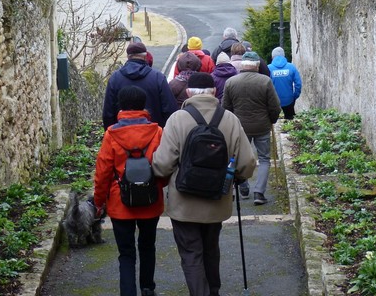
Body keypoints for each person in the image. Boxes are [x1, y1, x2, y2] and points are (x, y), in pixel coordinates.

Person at [152, 72, 256, 296]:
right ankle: (213, 291)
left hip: (184, 204)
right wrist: (237, 176)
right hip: (217, 201)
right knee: (211, 249)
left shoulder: (177, 119)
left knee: (191, 254)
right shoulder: (230, 119)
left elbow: (162, 165)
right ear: (214, 92)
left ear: (188, 92)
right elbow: (247, 163)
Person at [94, 86, 165, 296]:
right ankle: (147, 288)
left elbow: (103, 171)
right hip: (150, 199)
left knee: (126, 253)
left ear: (121, 106)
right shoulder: (157, 132)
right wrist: (158, 185)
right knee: (148, 246)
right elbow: (165, 165)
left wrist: (99, 201)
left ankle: (128, 292)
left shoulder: (112, 134)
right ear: (144, 105)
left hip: (120, 202)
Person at [222, 52, 281, 206]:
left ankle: (243, 186)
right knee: (264, 159)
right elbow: (275, 106)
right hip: (262, 125)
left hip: (240, 127)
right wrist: (272, 120)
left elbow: (225, 107)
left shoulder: (231, 82)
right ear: (257, 65)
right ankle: (259, 193)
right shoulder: (265, 81)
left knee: (239, 157)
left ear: (243, 65)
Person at [103, 41, 178, 129]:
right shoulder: (158, 77)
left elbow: (108, 113)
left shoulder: (115, 78)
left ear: (128, 57)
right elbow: (170, 109)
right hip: (153, 133)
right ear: (145, 56)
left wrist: (111, 132)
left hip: (122, 133)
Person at [268, 46, 302, 120]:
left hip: (274, 100)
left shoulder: (268, 68)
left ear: (272, 57)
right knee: (290, 120)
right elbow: (298, 84)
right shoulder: (291, 67)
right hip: (289, 100)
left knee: (273, 120)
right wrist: (295, 96)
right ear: (284, 56)